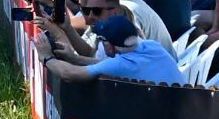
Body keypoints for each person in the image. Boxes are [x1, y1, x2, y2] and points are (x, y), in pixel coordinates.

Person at [34, 9, 184, 86]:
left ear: (109, 45)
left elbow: (69, 73)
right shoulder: (151, 46)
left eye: (101, 40)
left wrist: (47, 58)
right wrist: (74, 58)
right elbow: (105, 64)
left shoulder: (124, 64)